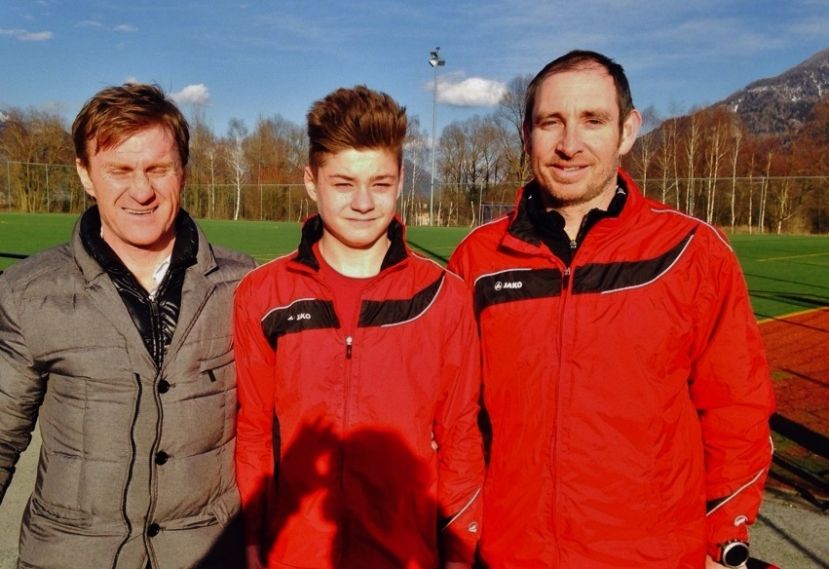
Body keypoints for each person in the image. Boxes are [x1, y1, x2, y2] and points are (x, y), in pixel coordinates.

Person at [448, 51, 776, 569]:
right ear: (526, 135)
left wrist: (724, 537)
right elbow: (455, 419)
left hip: (654, 556)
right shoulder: (478, 260)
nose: (569, 144)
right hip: (512, 554)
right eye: (549, 122)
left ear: (627, 131)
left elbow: (737, 406)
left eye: (592, 120)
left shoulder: (691, 251)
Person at [0, 83, 254, 568]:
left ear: (183, 171)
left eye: (158, 169)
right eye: (120, 170)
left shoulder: (244, 287)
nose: (141, 191)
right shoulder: (26, 292)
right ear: (86, 174)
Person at [233, 85, 483, 569]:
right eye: (344, 183)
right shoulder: (263, 295)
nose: (364, 202)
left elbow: (460, 439)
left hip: (407, 555)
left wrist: (459, 554)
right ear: (312, 181)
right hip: (295, 555)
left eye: (381, 183)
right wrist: (250, 543)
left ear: (401, 180)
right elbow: (254, 434)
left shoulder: (444, 297)